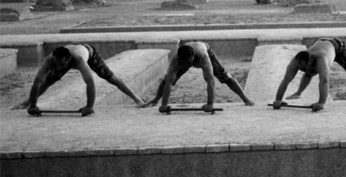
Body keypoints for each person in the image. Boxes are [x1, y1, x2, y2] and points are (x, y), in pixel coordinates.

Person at [18, 44, 146, 115]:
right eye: (56, 63)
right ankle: (26, 102)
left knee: (110, 77)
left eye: (61, 64)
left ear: (68, 60)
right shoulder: (50, 61)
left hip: (89, 53)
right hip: (66, 56)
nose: (58, 67)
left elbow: (90, 82)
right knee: (48, 81)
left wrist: (89, 106)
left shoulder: (78, 60)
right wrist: (33, 105)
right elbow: (37, 83)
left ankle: (137, 99)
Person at [272, 37, 346, 112]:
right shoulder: (296, 61)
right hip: (321, 42)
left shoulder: (320, 59)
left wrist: (321, 102)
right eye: (299, 67)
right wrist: (278, 99)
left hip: (336, 47)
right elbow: (286, 80)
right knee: (309, 73)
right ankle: (298, 93)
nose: (300, 70)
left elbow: (324, 81)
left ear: (311, 61)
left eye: (303, 67)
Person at [144, 42, 254, 113]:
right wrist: (164, 105)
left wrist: (210, 104)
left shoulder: (203, 57)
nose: (187, 65)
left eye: (189, 62)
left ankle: (245, 98)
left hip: (205, 49)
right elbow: (168, 82)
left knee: (225, 77)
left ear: (192, 58)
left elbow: (210, 81)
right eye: (184, 63)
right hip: (186, 54)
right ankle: (155, 100)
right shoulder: (176, 60)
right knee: (166, 79)